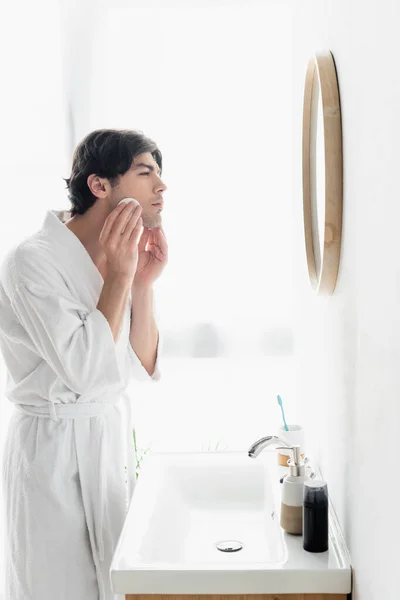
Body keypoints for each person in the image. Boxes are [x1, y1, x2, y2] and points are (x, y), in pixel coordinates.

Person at [0, 128, 168, 600]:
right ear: (100, 185)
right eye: (145, 171)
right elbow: (86, 370)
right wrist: (119, 274)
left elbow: (143, 365)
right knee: (55, 586)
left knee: (115, 585)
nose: (162, 185)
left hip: (105, 446)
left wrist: (142, 285)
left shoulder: (117, 257)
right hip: (51, 453)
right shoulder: (30, 262)